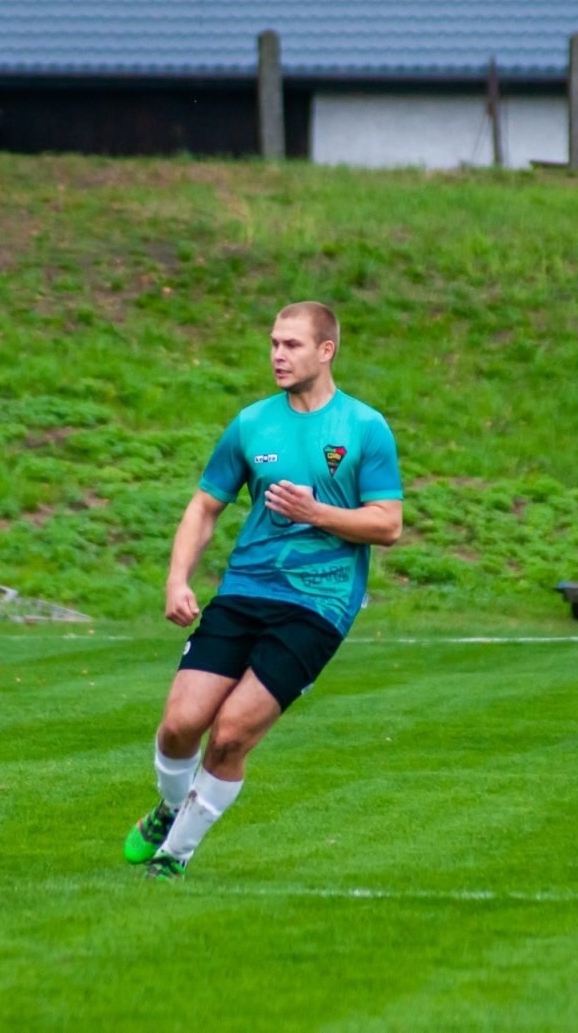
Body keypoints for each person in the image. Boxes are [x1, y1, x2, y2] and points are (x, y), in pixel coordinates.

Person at [122, 302, 403, 879]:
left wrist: (317, 513)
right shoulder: (252, 423)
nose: (278, 354)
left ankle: (173, 858)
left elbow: (388, 524)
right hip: (244, 590)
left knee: (230, 735)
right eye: (274, 343)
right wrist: (177, 580)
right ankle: (172, 810)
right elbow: (205, 506)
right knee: (180, 725)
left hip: (318, 604)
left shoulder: (364, 428)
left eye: (292, 345)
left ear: (326, 351)